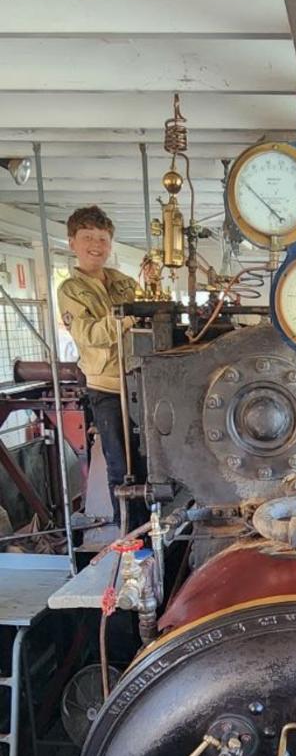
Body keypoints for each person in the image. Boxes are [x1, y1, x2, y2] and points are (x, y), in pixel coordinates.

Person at [58, 206, 140, 525]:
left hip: (140, 383)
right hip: (106, 388)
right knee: (120, 468)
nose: (96, 245)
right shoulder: (71, 290)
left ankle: (156, 531)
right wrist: (128, 319)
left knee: (151, 465)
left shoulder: (124, 282)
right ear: (72, 243)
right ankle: (131, 537)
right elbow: (89, 333)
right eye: (88, 238)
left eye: (102, 239)